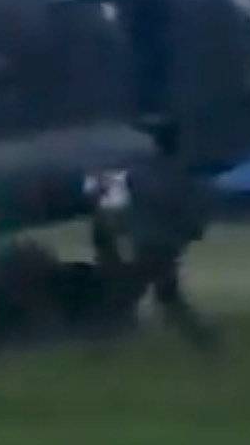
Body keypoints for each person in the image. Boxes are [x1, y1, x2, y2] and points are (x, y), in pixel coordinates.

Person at [89, 121, 217, 352]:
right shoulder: (183, 176)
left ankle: (99, 347)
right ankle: (207, 344)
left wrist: (116, 225)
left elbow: (120, 202)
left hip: (149, 246)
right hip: (167, 248)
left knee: (126, 296)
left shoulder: (143, 174)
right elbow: (195, 218)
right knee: (167, 296)